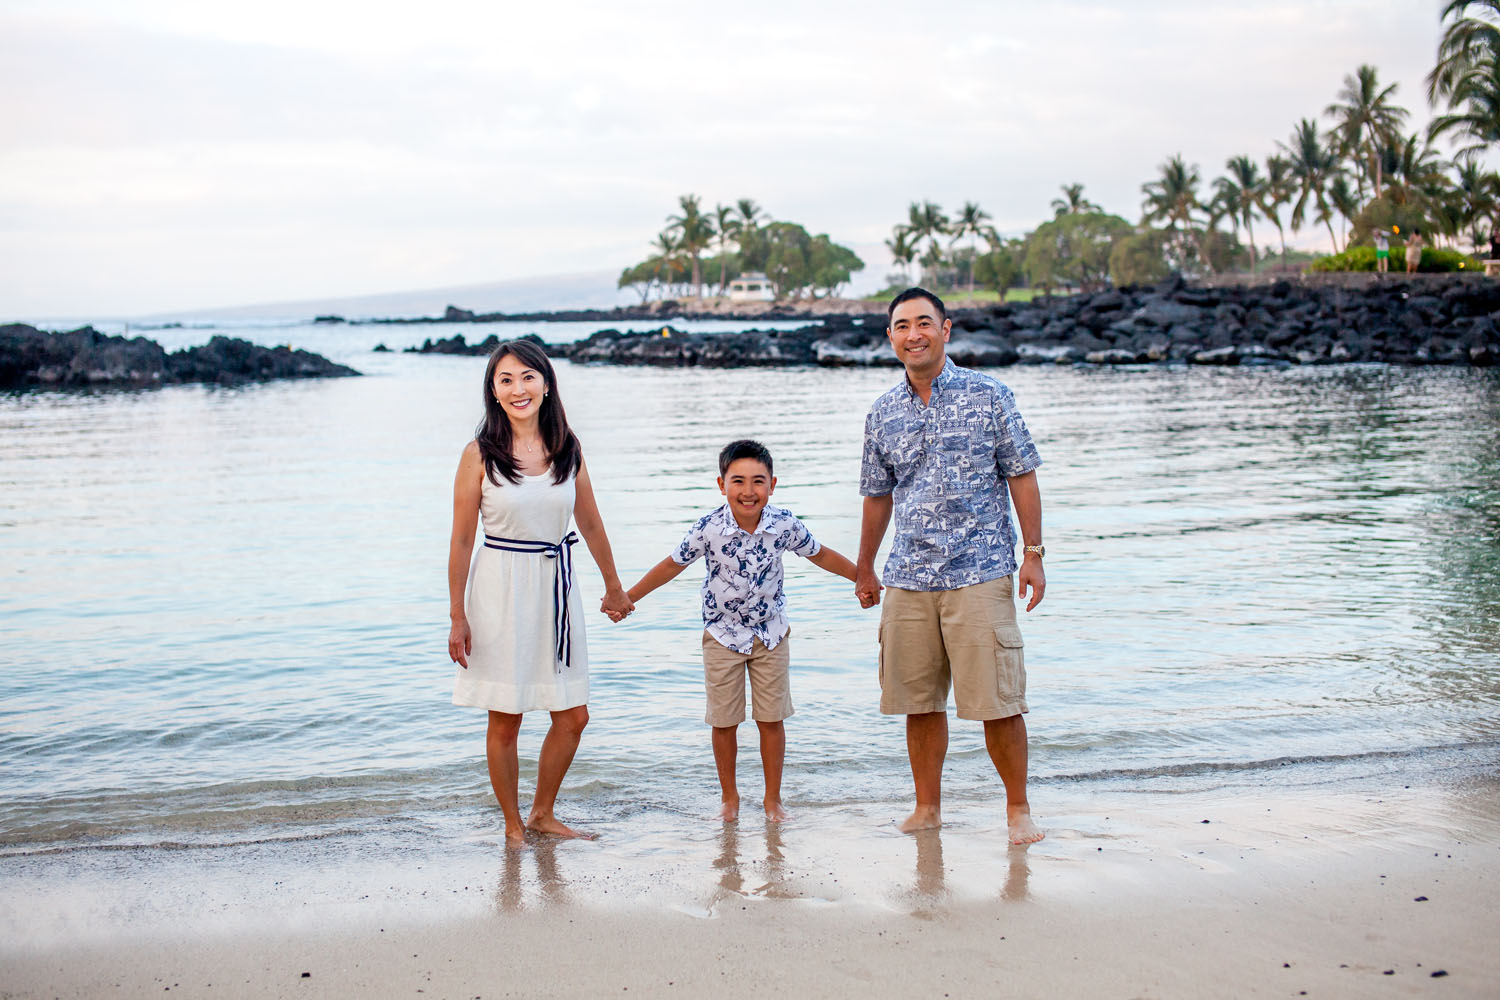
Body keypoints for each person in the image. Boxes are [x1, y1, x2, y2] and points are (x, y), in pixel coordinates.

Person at [855, 287, 1047, 846]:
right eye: (901, 326)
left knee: (998, 702)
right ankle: (927, 808)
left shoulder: (990, 394)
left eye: (923, 323)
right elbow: (876, 496)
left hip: (981, 570)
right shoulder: (883, 412)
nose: (912, 334)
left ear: (946, 328)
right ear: (890, 337)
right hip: (909, 576)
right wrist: (866, 568)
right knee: (918, 702)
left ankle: (1017, 810)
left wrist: (1032, 554)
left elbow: (1022, 474)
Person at [448, 340, 634, 845]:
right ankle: (512, 826)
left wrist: (614, 587)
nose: (518, 388)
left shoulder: (567, 446)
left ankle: (542, 813)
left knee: (573, 716)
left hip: (556, 589)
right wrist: (457, 616)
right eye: (505, 379)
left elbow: (590, 522)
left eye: (527, 377)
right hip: (500, 588)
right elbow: (463, 539)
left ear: (546, 384)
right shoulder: (479, 455)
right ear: (494, 391)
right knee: (505, 718)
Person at [626, 439, 857, 822]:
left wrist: (861, 576)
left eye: (757, 481)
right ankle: (729, 799)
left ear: (772, 484)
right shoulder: (708, 528)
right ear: (721, 485)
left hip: (771, 635)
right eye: (738, 481)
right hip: (721, 636)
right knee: (724, 721)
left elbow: (821, 554)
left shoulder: (783, 524)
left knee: (771, 719)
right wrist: (628, 597)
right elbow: (671, 566)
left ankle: (772, 801)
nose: (748, 491)